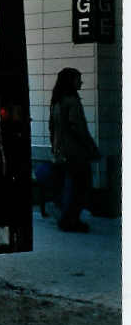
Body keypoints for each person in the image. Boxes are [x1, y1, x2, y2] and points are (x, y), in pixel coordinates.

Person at [49, 67, 99, 232]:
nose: (81, 82)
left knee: (67, 186)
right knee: (81, 186)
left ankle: (66, 218)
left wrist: (55, 148)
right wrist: (91, 147)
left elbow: (53, 128)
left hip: (61, 151)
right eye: (78, 78)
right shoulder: (72, 101)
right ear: (71, 81)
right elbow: (78, 128)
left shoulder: (57, 101)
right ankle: (72, 220)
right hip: (75, 151)